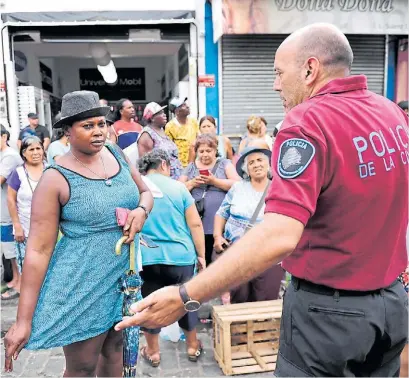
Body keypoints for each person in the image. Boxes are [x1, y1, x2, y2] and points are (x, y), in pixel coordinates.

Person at [116, 23, 409, 377]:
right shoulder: (391, 113)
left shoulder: (306, 122)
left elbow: (278, 236)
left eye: (278, 73)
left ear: (310, 69)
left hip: (330, 319)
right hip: (392, 305)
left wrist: (185, 296)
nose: (275, 84)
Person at [4, 90, 154, 377]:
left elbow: (145, 193)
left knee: (115, 351)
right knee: (83, 365)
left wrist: (141, 212)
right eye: (87, 126)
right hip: (81, 282)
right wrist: (23, 320)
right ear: (68, 132)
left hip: (122, 279)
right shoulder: (55, 178)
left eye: (101, 124)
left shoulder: (115, 153)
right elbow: (38, 251)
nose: (98, 132)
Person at [137, 150, 205, 366]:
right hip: (181, 258)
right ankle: (193, 347)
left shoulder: (137, 188)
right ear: (164, 165)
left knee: (150, 305)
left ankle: (153, 352)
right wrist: (201, 255)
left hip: (148, 258)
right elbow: (195, 224)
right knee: (187, 301)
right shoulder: (179, 188)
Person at [214, 147, 284, 303]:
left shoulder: (279, 189)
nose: (256, 165)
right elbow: (221, 213)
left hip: (270, 253)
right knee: (240, 297)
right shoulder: (237, 188)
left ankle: (263, 328)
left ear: (268, 164)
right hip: (238, 252)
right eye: (251, 162)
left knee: (266, 298)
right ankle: (241, 327)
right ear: (246, 169)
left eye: (260, 160)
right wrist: (217, 236)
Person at [179, 134, 240, 267]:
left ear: (215, 150)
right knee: (200, 259)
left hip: (219, 223)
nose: (205, 154)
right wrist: (192, 183)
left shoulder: (224, 164)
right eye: (201, 151)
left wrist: (215, 181)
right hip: (196, 222)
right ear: (196, 152)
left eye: (208, 151)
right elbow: (177, 189)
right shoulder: (191, 167)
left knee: (219, 260)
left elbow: (237, 184)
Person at [6, 137, 46, 282]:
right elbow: (11, 199)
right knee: (31, 272)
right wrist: (17, 226)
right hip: (26, 230)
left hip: (50, 230)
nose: (35, 152)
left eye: (38, 148)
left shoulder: (51, 170)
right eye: (31, 149)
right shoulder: (18, 173)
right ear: (23, 153)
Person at [0, 125, 23, 298]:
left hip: (10, 211)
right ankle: (15, 279)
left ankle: (20, 283)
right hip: (4, 211)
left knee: (14, 248)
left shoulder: (9, 156)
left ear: (4, 136)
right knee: (8, 248)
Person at [138, 102, 182, 179]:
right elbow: (144, 164)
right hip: (161, 180)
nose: (164, 114)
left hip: (175, 178)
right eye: (160, 113)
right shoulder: (147, 135)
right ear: (152, 118)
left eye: (163, 112)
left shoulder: (162, 131)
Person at [165, 97, 199, 168]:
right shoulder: (170, 126)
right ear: (177, 111)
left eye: (186, 104)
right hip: (180, 166)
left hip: (195, 163)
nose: (187, 106)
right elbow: (168, 148)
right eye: (183, 105)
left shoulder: (193, 122)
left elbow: (199, 139)